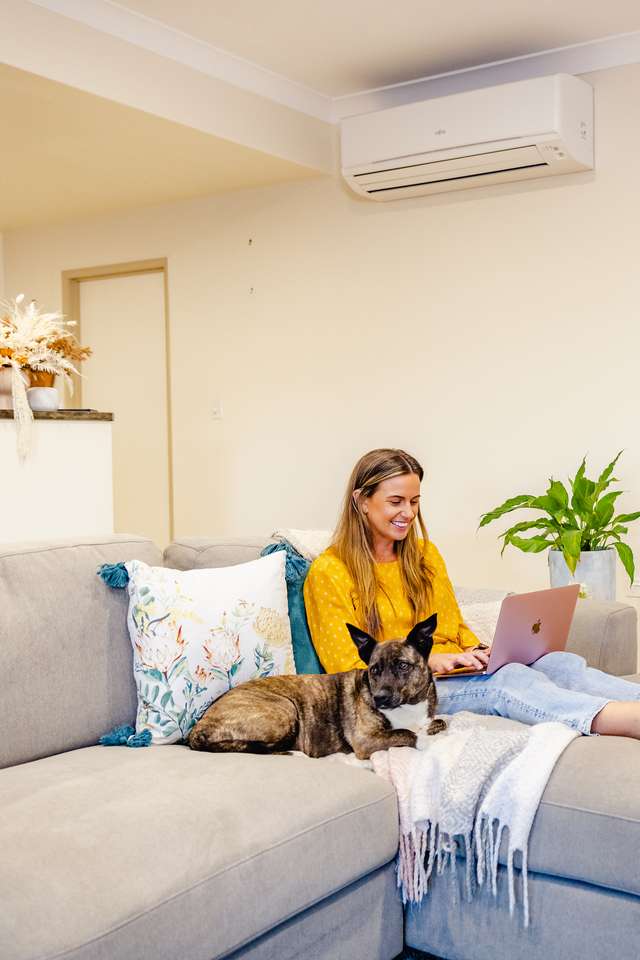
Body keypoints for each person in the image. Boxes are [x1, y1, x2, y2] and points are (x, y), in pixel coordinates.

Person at [303, 448, 640, 738]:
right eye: (396, 502)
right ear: (362, 501)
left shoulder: (423, 554)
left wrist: (478, 651)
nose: (408, 513)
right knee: (508, 681)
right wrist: (431, 661)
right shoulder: (329, 573)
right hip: (409, 690)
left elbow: (453, 627)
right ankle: (623, 720)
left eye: (414, 501)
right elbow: (348, 671)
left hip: (452, 670)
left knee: (558, 663)